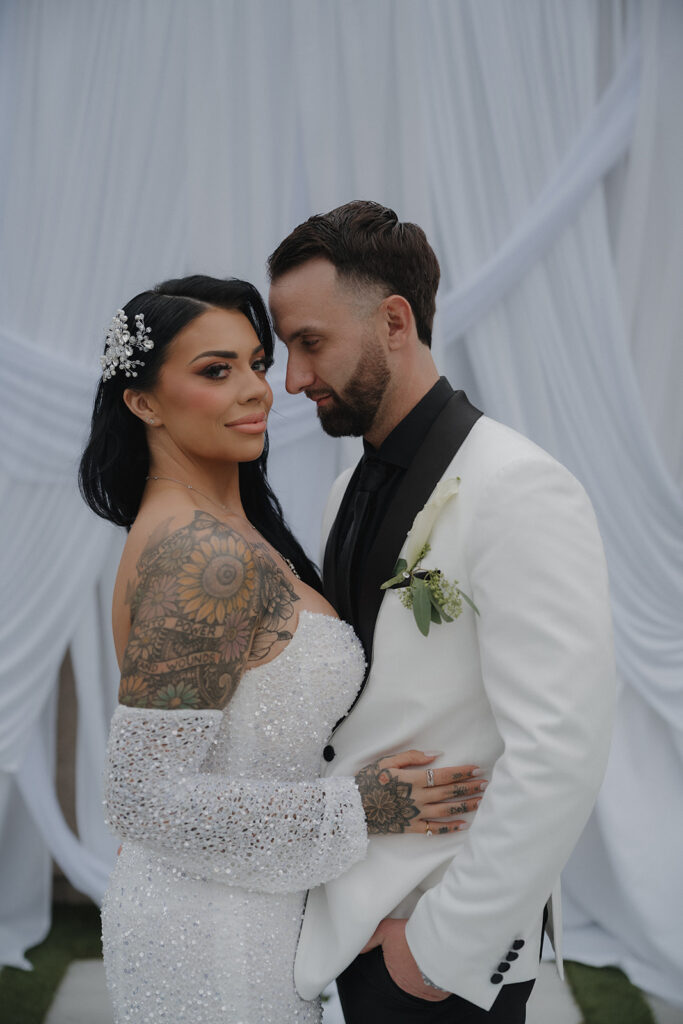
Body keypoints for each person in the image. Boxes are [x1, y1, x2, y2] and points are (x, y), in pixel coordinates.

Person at [79, 275, 486, 1024]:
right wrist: (361, 811)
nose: (255, 390)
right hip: (210, 936)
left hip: (247, 910)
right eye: (215, 370)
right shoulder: (202, 557)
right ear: (141, 402)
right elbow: (140, 796)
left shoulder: (223, 534)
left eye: (257, 364)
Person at [267, 201, 616, 1022]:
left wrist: (438, 949)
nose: (292, 380)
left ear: (394, 319)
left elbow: (562, 748)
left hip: (439, 944)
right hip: (351, 923)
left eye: (309, 342)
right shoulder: (344, 487)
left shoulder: (517, 487)